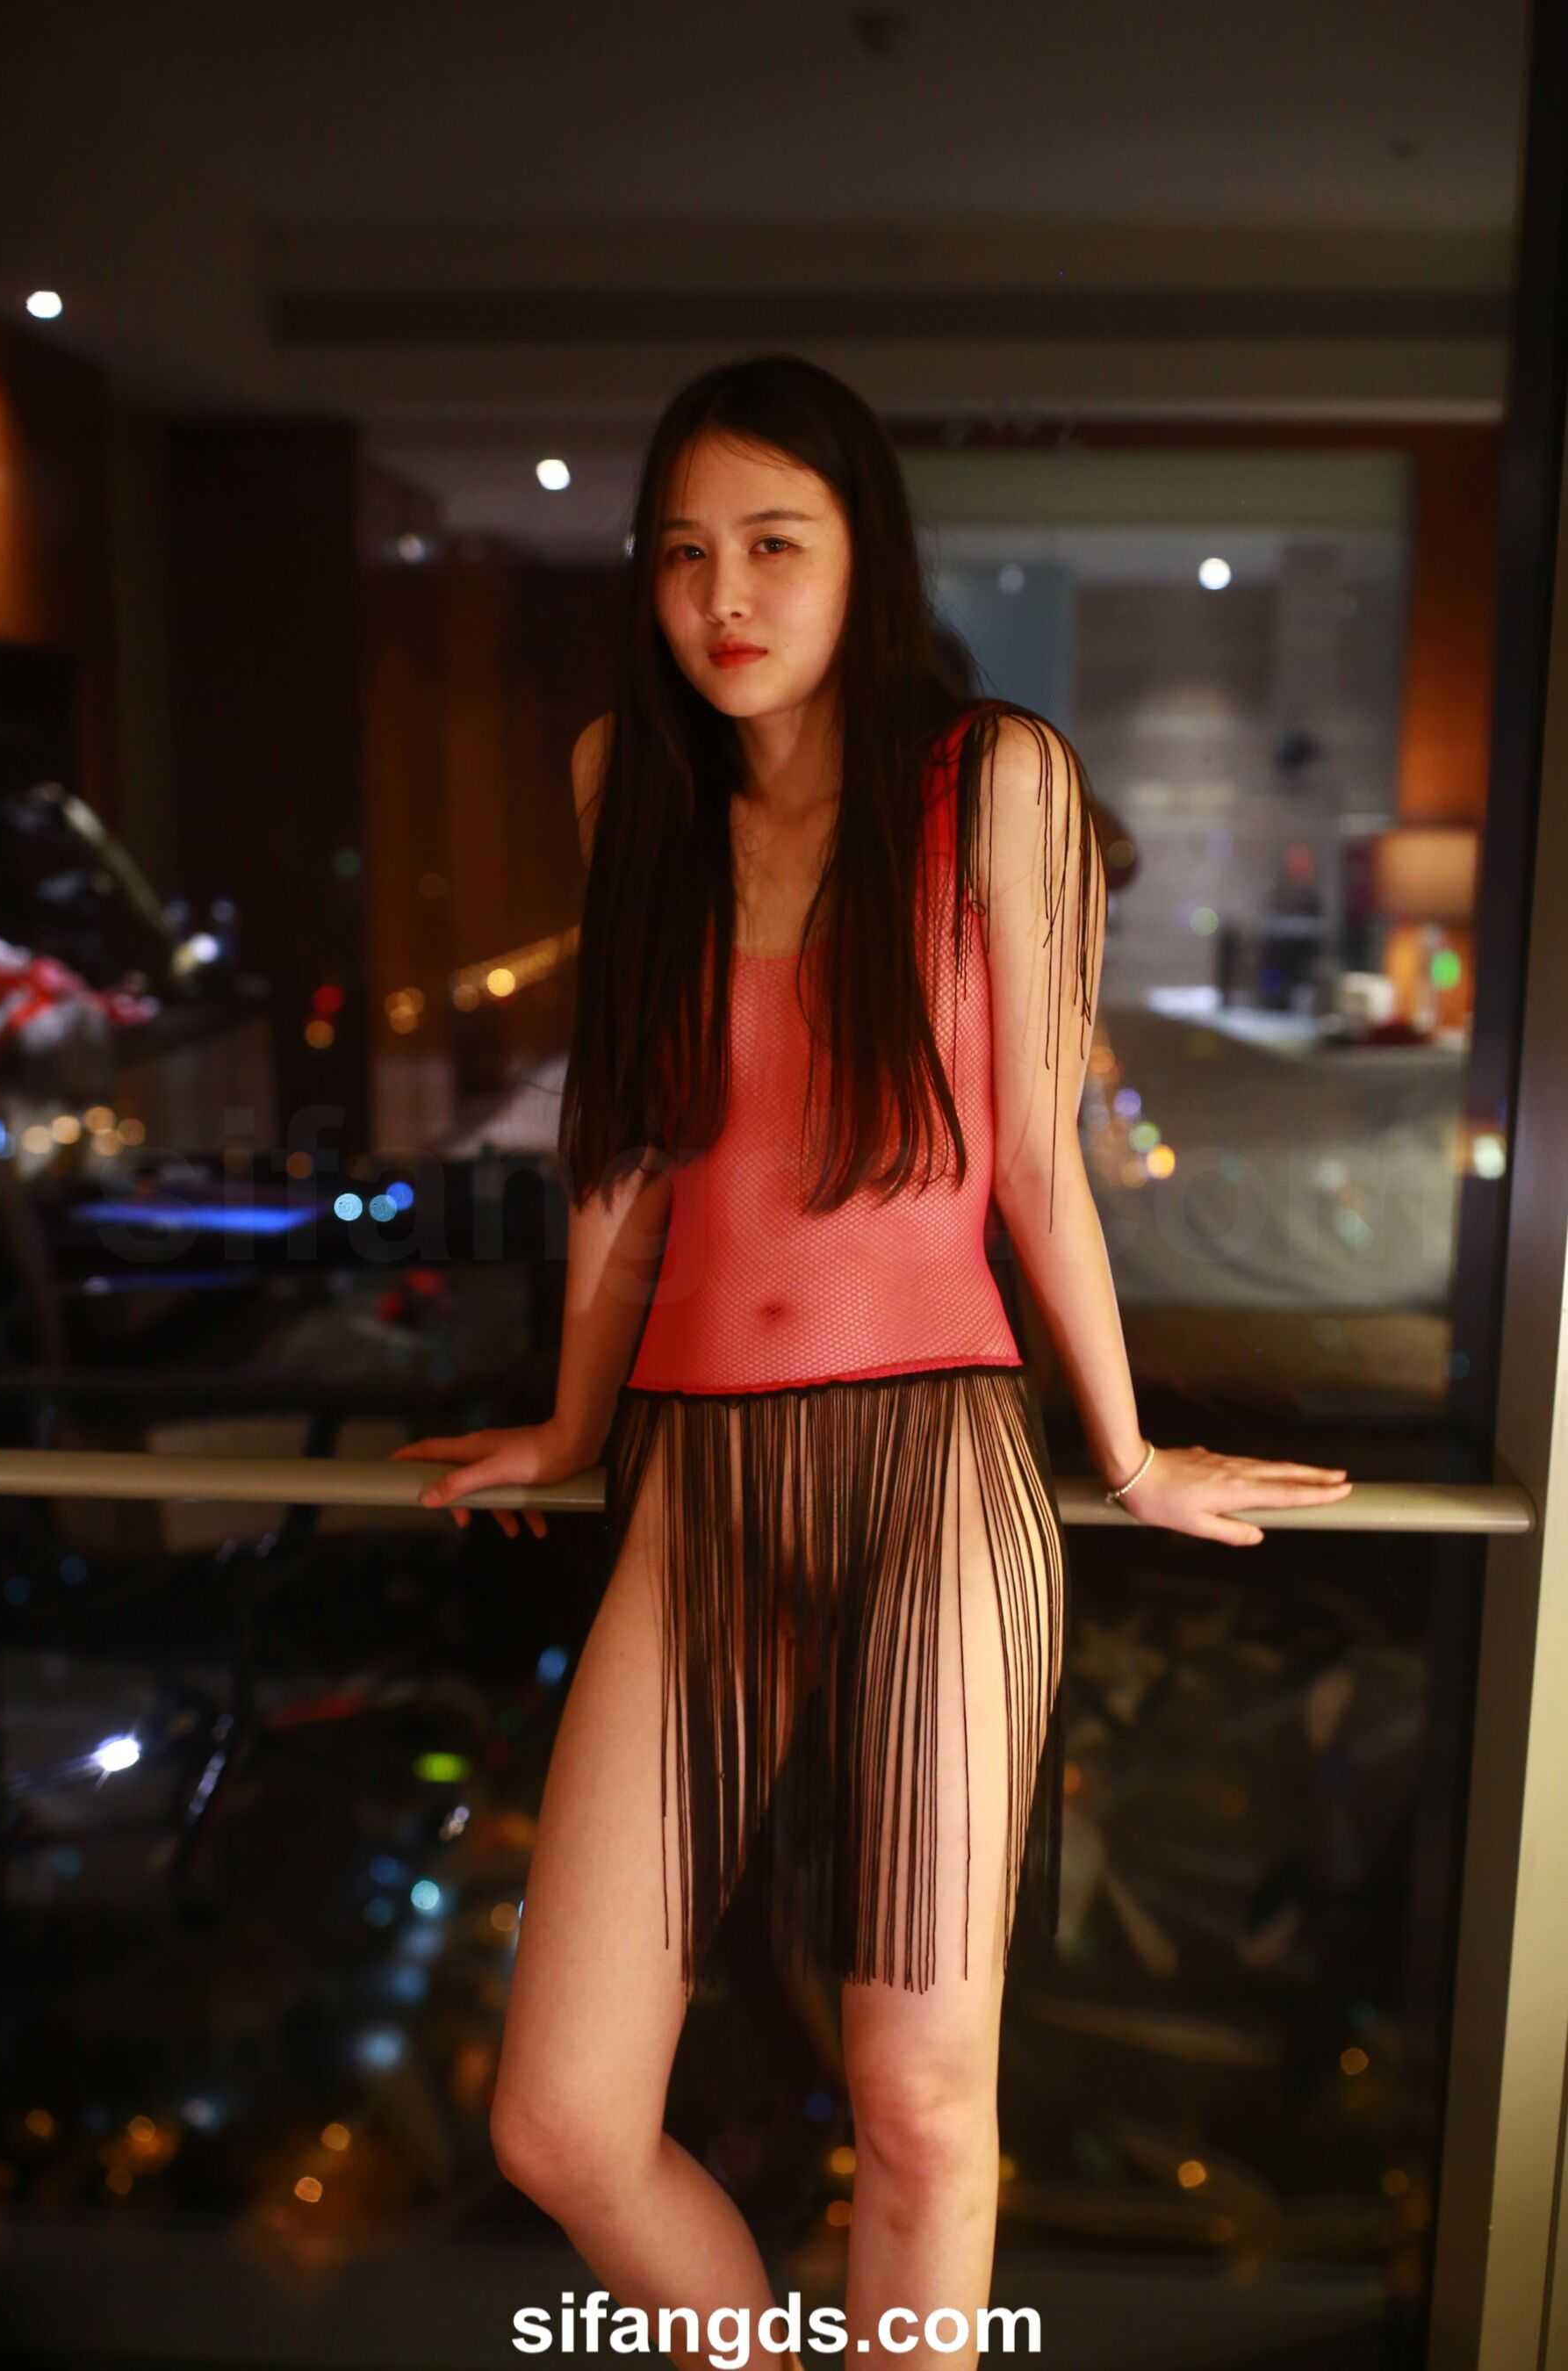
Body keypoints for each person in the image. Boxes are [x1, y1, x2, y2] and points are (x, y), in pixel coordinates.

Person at [390, 354, 1353, 2371]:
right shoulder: (628, 782)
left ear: (863, 559)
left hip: (935, 1472)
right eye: (682, 554)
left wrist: (1130, 1450)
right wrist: (569, 1422)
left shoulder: (992, 779)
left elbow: (1039, 1168)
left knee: (919, 2103)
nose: (723, 596)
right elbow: (627, 1154)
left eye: (774, 545)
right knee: (562, 2121)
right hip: (695, 1482)